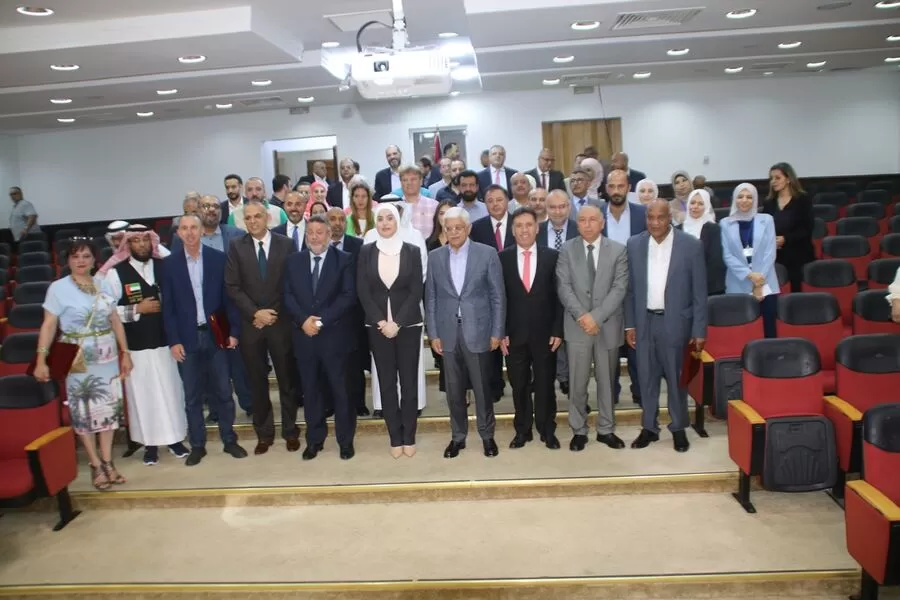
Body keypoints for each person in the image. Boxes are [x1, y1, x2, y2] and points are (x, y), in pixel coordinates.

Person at [33, 238, 133, 489]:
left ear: (94, 260)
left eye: (86, 256)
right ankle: (95, 465)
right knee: (84, 413)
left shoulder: (103, 284)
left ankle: (108, 462)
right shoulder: (58, 288)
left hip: (108, 358)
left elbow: (115, 320)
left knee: (109, 412)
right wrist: (41, 359)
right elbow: (49, 325)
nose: (81, 261)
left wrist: (125, 352)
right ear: (67, 260)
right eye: (75, 256)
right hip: (77, 360)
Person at [161, 215, 247, 466]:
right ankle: (198, 445)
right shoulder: (169, 264)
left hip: (216, 336)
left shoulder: (218, 259)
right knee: (192, 396)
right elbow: (168, 308)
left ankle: (229, 439)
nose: (189, 233)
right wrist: (173, 341)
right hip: (187, 339)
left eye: (194, 228)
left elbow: (229, 300)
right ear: (178, 233)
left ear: (202, 231)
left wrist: (233, 332)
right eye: (184, 228)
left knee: (223, 391)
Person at [625, 200, 708, 453]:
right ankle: (649, 427)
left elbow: (700, 292)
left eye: (660, 217)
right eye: (650, 217)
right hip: (644, 322)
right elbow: (629, 290)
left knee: (676, 379)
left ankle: (679, 427)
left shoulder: (691, 245)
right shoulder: (634, 244)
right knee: (646, 378)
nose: (655, 223)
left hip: (677, 323)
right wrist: (630, 325)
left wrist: (699, 330)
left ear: (669, 217)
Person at [105, 226, 189, 466]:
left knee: (171, 392)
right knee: (143, 397)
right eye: (136, 241)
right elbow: (108, 311)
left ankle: (175, 439)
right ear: (127, 244)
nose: (142, 245)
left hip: (167, 344)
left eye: (145, 240)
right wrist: (136, 309)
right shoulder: (115, 273)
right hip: (136, 347)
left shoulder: (165, 266)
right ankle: (150, 445)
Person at [425, 207, 505, 459]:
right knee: (454, 391)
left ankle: (487, 435)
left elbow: (497, 296)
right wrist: (433, 334)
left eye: (458, 228)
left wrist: (497, 332)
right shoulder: (435, 257)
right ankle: (457, 437)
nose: (454, 233)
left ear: (468, 228)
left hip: (479, 331)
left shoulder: (487, 254)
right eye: (449, 228)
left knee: (482, 389)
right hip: (448, 333)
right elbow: (431, 298)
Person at [224, 202, 300, 455]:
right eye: (248, 218)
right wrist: (255, 313)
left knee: (287, 381)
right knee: (257, 383)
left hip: (280, 323)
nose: (253, 221)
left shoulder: (286, 244)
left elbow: (292, 282)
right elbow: (233, 286)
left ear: (267, 217)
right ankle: (264, 434)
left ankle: (290, 431)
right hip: (251, 325)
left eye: (257, 216)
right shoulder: (236, 247)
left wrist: (270, 313)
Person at [283, 214, 358, 460]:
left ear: (328, 235)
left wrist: (320, 320)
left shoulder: (344, 259)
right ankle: (314, 440)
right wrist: (303, 320)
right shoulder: (293, 261)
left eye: (319, 232)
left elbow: (348, 296)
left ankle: (345, 441)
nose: (314, 237)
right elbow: (287, 296)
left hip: (335, 338)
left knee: (341, 392)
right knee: (311, 391)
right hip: (305, 338)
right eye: (310, 233)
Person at [556, 204, 628, 452]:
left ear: (602, 223)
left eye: (592, 220)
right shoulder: (566, 250)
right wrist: (583, 317)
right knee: (577, 383)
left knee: (607, 382)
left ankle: (606, 429)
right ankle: (579, 430)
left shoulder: (618, 250)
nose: (587, 225)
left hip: (607, 325)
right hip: (577, 327)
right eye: (582, 220)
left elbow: (619, 288)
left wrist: (596, 317)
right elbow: (564, 287)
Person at [357, 204, 424, 457]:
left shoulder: (412, 251)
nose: (385, 223)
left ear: (397, 221)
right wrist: (381, 322)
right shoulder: (366, 251)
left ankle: (409, 436)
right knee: (386, 383)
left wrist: (398, 322)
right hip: (377, 328)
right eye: (380, 219)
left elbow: (416, 290)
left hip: (408, 326)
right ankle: (395, 437)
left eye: (390, 218)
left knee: (409, 384)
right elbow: (363, 290)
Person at [500, 207, 563, 450]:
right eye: (519, 226)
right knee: (519, 385)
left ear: (537, 228)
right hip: (514, 335)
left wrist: (557, 330)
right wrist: (501, 331)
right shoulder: (502, 258)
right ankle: (522, 430)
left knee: (546, 384)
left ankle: (547, 429)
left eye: (528, 225)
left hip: (545, 335)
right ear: (513, 230)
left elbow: (559, 297)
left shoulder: (552, 257)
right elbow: (499, 298)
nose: (524, 230)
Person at [601, 169, 647, 406]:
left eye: (621, 186)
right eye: (612, 186)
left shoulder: (643, 214)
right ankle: (612, 392)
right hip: (605, 290)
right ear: (606, 189)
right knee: (609, 346)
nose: (616, 191)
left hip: (636, 288)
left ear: (629, 188)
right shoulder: (596, 215)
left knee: (637, 344)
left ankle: (640, 391)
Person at [469, 185, 515, 402]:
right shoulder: (477, 228)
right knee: (491, 342)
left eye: (499, 199)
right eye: (490, 201)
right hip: (486, 294)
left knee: (514, 342)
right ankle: (495, 386)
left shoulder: (519, 223)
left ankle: (520, 384)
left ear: (507, 201)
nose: (495, 204)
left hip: (516, 292)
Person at [721, 183, 780, 338]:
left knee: (769, 329)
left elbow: (770, 252)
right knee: (741, 332)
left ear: (755, 200)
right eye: (740, 197)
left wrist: (759, 281)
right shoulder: (725, 223)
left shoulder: (767, 220)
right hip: (737, 283)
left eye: (749, 197)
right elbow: (727, 255)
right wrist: (750, 275)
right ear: (734, 199)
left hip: (766, 282)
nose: (744, 200)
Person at [325, 207, 368, 416]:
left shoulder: (357, 245)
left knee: (354, 363)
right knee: (329, 362)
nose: (337, 223)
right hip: (326, 315)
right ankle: (331, 403)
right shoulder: (318, 245)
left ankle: (358, 402)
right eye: (332, 219)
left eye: (341, 219)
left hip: (353, 314)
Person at [538, 189, 579, 397]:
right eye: (552, 207)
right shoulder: (536, 230)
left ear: (569, 207)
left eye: (562, 206)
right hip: (544, 297)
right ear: (546, 208)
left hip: (575, 295)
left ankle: (570, 382)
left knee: (572, 343)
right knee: (548, 342)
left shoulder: (580, 229)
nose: (557, 211)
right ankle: (550, 382)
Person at [761, 162, 815, 293]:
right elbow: (763, 227)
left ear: (789, 179)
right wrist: (772, 240)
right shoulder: (769, 202)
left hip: (799, 254)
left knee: (796, 292)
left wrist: (786, 239)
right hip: (776, 255)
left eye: (777, 178)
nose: (773, 182)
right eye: (771, 178)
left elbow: (807, 228)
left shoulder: (802, 200)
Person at [682, 189, 725, 296]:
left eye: (700, 204)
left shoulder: (713, 229)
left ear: (707, 207)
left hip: (709, 287)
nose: (695, 206)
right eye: (692, 203)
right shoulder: (677, 229)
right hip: (683, 286)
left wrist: (697, 282)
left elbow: (715, 262)